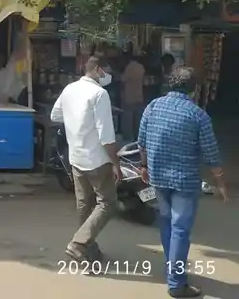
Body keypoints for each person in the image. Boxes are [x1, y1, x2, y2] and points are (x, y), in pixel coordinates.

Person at [138, 66, 229, 298]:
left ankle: (173, 270)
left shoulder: (153, 106)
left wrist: (144, 167)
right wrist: (221, 184)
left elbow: (142, 142)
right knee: (180, 229)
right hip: (184, 181)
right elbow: (211, 154)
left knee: (167, 223)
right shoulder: (198, 115)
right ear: (193, 89)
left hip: (158, 177)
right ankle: (177, 284)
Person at [50, 55, 122, 262]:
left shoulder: (69, 89)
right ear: (98, 70)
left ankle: (88, 249)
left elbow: (55, 115)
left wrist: (76, 119)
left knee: (84, 204)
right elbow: (106, 135)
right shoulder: (100, 94)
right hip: (97, 159)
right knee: (107, 203)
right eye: (106, 71)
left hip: (76, 157)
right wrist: (115, 163)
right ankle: (79, 243)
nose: (108, 76)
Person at [121, 51, 146, 140]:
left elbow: (123, 79)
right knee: (138, 118)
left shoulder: (129, 67)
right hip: (139, 95)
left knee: (128, 118)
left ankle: (127, 137)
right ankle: (137, 137)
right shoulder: (141, 67)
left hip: (129, 96)